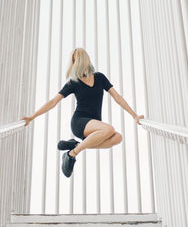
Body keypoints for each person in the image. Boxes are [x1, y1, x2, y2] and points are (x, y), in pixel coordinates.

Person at [20, 48, 144, 177]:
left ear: (87, 59)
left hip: (95, 127)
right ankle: (71, 154)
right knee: (109, 129)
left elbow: (118, 97)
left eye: (78, 59)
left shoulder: (99, 77)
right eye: (74, 61)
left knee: (117, 138)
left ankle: (75, 145)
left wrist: (134, 115)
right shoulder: (74, 83)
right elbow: (53, 102)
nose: (77, 63)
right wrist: (31, 117)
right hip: (79, 122)